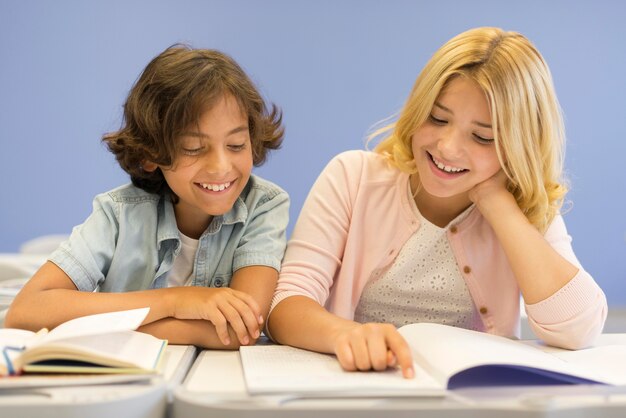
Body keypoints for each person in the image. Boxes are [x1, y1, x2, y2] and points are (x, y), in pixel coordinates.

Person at [267, 27, 607, 378]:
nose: (447, 148)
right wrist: (348, 336)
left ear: (518, 147)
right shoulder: (353, 178)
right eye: (438, 118)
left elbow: (578, 329)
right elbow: (285, 307)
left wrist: (495, 201)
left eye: (482, 137)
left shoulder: (523, 208)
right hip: (359, 389)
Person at [6, 45, 289, 349]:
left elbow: (240, 330)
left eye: (235, 145)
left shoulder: (264, 205)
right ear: (151, 154)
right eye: (193, 148)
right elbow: (24, 312)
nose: (221, 167)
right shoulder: (117, 214)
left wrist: (108, 327)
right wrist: (174, 301)